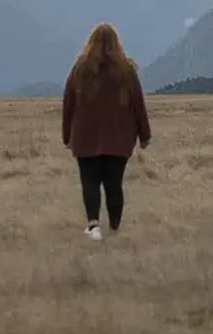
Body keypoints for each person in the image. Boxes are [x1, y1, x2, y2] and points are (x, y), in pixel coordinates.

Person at [61, 22, 152, 241]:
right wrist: (144, 135)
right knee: (114, 184)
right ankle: (114, 227)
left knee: (89, 181)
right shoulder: (126, 70)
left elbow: (68, 105)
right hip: (119, 139)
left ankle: (93, 226)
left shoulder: (79, 69)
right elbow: (138, 104)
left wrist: (67, 136)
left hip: (85, 138)